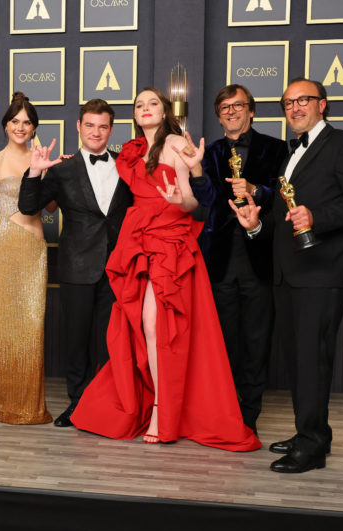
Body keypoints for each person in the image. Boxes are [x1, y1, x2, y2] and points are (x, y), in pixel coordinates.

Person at [70, 87, 260, 452]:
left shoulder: (176, 143)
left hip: (169, 236)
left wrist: (184, 191)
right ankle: (153, 400)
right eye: (139, 104)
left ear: (165, 110)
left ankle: (163, 408)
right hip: (138, 237)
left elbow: (191, 201)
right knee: (141, 326)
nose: (145, 108)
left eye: (152, 103)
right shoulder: (130, 150)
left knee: (158, 325)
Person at [230, 78, 343, 471]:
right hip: (291, 271)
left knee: (312, 357)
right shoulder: (290, 154)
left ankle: (312, 446)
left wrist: (318, 216)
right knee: (297, 358)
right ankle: (310, 432)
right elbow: (284, 214)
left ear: (322, 105)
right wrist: (255, 224)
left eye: (303, 100)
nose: (294, 108)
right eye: (287, 103)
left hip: (325, 270)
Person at [18, 98, 133, 427]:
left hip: (118, 268)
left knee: (110, 341)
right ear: (79, 128)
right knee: (76, 340)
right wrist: (35, 171)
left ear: (111, 130)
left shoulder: (127, 166)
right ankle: (78, 403)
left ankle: (111, 402)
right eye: (90, 125)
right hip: (76, 267)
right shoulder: (62, 169)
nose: (96, 132)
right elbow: (28, 207)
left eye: (103, 126)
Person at [191, 85, 289, 433]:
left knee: (256, 341)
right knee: (222, 340)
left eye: (238, 106)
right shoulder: (212, 151)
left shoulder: (277, 148)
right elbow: (206, 199)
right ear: (218, 116)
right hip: (219, 259)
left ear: (252, 111)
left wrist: (254, 190)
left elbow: (284, 194)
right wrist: (198, 173)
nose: (231, 112)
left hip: (260, 258)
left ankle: (249, 415)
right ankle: (223, 410)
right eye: (224, 108)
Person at [0, 92, 53, 424]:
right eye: (15, 121)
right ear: (5, 125)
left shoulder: (40, 158)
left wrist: (46, 175)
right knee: (1, 331)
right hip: (0, 248)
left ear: (34, 128)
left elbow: (49, 208)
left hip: (33, 249)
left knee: (32, 329)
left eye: (27, 122)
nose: (20, 127)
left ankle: (31, 407)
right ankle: (5, 405)